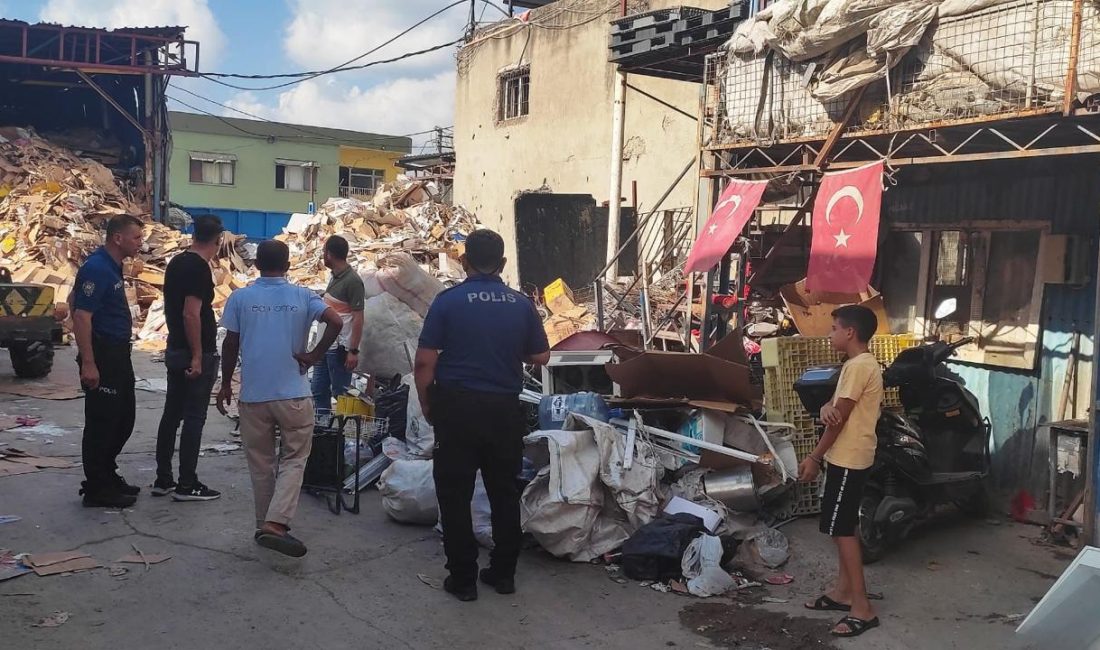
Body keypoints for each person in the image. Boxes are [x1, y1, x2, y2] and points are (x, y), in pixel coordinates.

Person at [414, 229, 550, 602]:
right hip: (503, 411)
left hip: (456, 409)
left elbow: (425, 361)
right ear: (503, 264)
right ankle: (503, 574)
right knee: (504, 492)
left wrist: (429, 406)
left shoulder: (448, 302)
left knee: (455, 494)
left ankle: (463, 579)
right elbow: (541, 357)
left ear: (464, 261)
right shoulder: (521, 304)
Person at [216, 240, 343, 557]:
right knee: (294, 459)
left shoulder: (240, 298)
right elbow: (337, 321)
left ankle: (265, 524)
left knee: (261, 464)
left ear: (256, 265)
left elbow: (230, 344)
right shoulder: (302, 295)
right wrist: (313, 355)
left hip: (254, 397)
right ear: (288, 266)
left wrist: (225, 384)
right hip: (294, 395)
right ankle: (276, 523)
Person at [799, 304, 883, 638]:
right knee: (841, 526)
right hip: (848, 455)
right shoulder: (855, 365)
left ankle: (862, 607)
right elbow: (834, 411)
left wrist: (814, 458)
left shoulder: (860, 366)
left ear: (850, 332)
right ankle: (842, 591)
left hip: (848, 457)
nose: (830, 333)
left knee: (843, 530)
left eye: (834, 328)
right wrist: (824, 407)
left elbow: (840, 419)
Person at [72, 214, 145, 508]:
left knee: (124, 418)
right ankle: (96, 487)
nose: (141, 243)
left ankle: (106, 472)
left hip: (118, 353)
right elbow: (81, 315)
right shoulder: (97, 268)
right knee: (102, 422)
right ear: (118, 238)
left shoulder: (113, 266)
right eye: (137, 238)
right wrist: (89, 363)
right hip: (102, 354)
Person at [153, 215, 225, 501]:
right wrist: (197, 356)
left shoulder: (177, 262)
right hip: (195, 352)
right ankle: (187, 483)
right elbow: (190, 313)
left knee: (172, 413)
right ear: (218, 241)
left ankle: (163, 478)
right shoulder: (198, 269)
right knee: (194, 417)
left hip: (175, 348)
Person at [310, 235, 365, 410]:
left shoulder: (353, 281)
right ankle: (323, 430)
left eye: (324, 252)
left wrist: (353, 351)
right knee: (318, 390)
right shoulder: (335, 276)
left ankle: (342, 434)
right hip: (324, 345)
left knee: (340, 393)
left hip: (340, 348)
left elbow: (358, 318)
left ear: (329, 255)